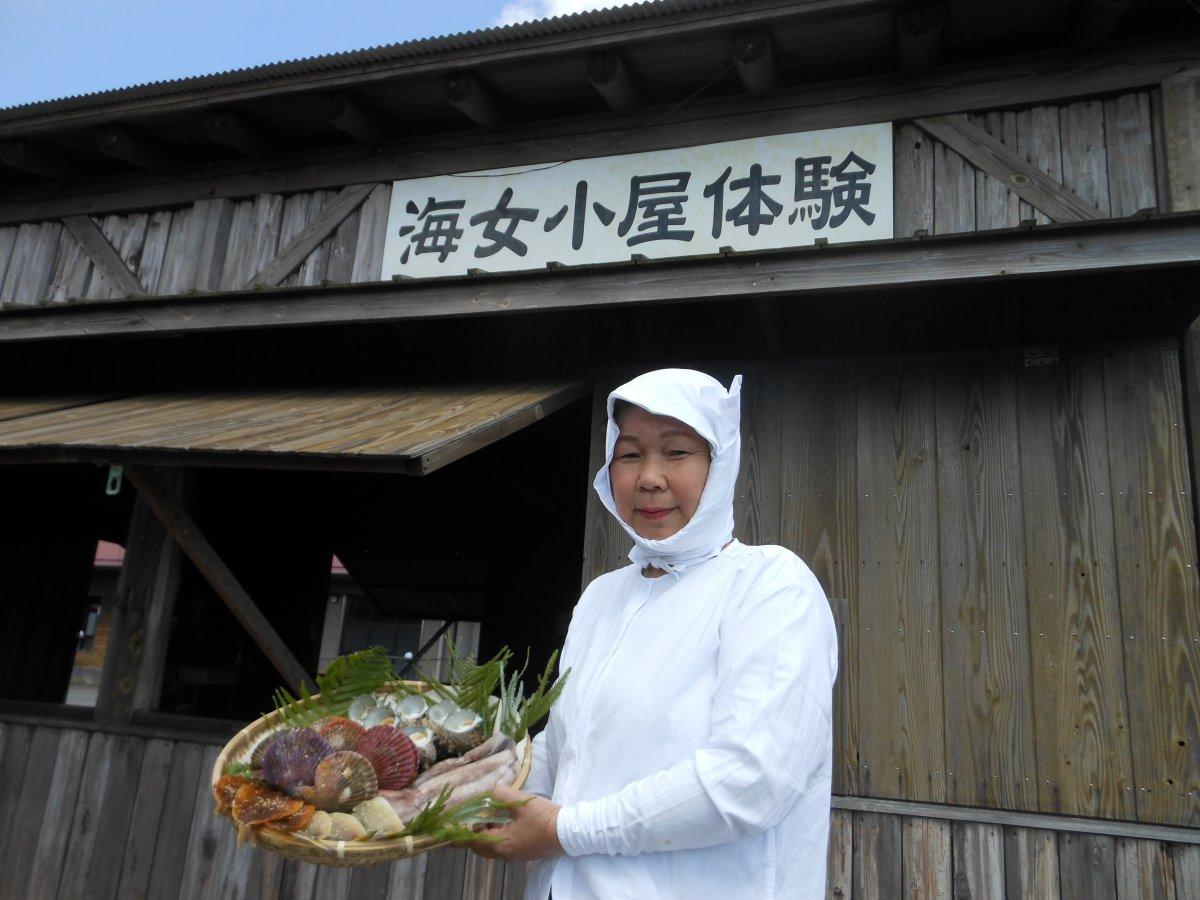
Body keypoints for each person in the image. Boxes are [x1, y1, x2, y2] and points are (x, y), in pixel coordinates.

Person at [468, 368, 839, 899]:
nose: (650, 477)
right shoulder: (602, 596)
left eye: (677, 452)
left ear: (720, 462)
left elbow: (748, 782)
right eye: (630, 454)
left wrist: (561, 830)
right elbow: (566, 749)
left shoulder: (768, 585)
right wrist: (450, 797)